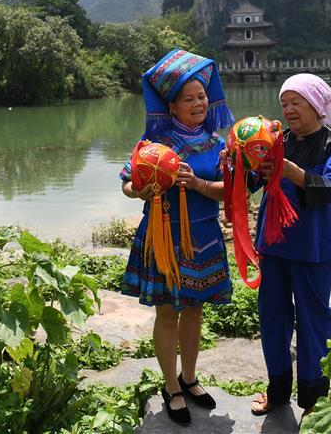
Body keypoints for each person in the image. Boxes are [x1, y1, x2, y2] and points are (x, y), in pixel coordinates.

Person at [120, 49, 235, 425]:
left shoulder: (217, 142)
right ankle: (171, 386)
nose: (199, 103)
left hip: (203, 237)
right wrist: (140, 191)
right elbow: (127, 182)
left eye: (202, 96)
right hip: (163, 238)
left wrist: (197, 183)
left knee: (196, 310)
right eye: (189, 98)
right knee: (168, 312)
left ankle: (189, 378)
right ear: (171, 106)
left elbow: (230, 191)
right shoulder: (154, 142)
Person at [246, 73, 331, 418]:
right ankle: (277, 391)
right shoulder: (274, 141)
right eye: (284, 104)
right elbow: (249, 181)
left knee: (313, 321)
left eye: (296, 102)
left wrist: (292, 172)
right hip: (274, 245)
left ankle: (314, 400)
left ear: (317, 105)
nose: (288, 110)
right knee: (272, 317)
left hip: (313, 246)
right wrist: (238, 163)